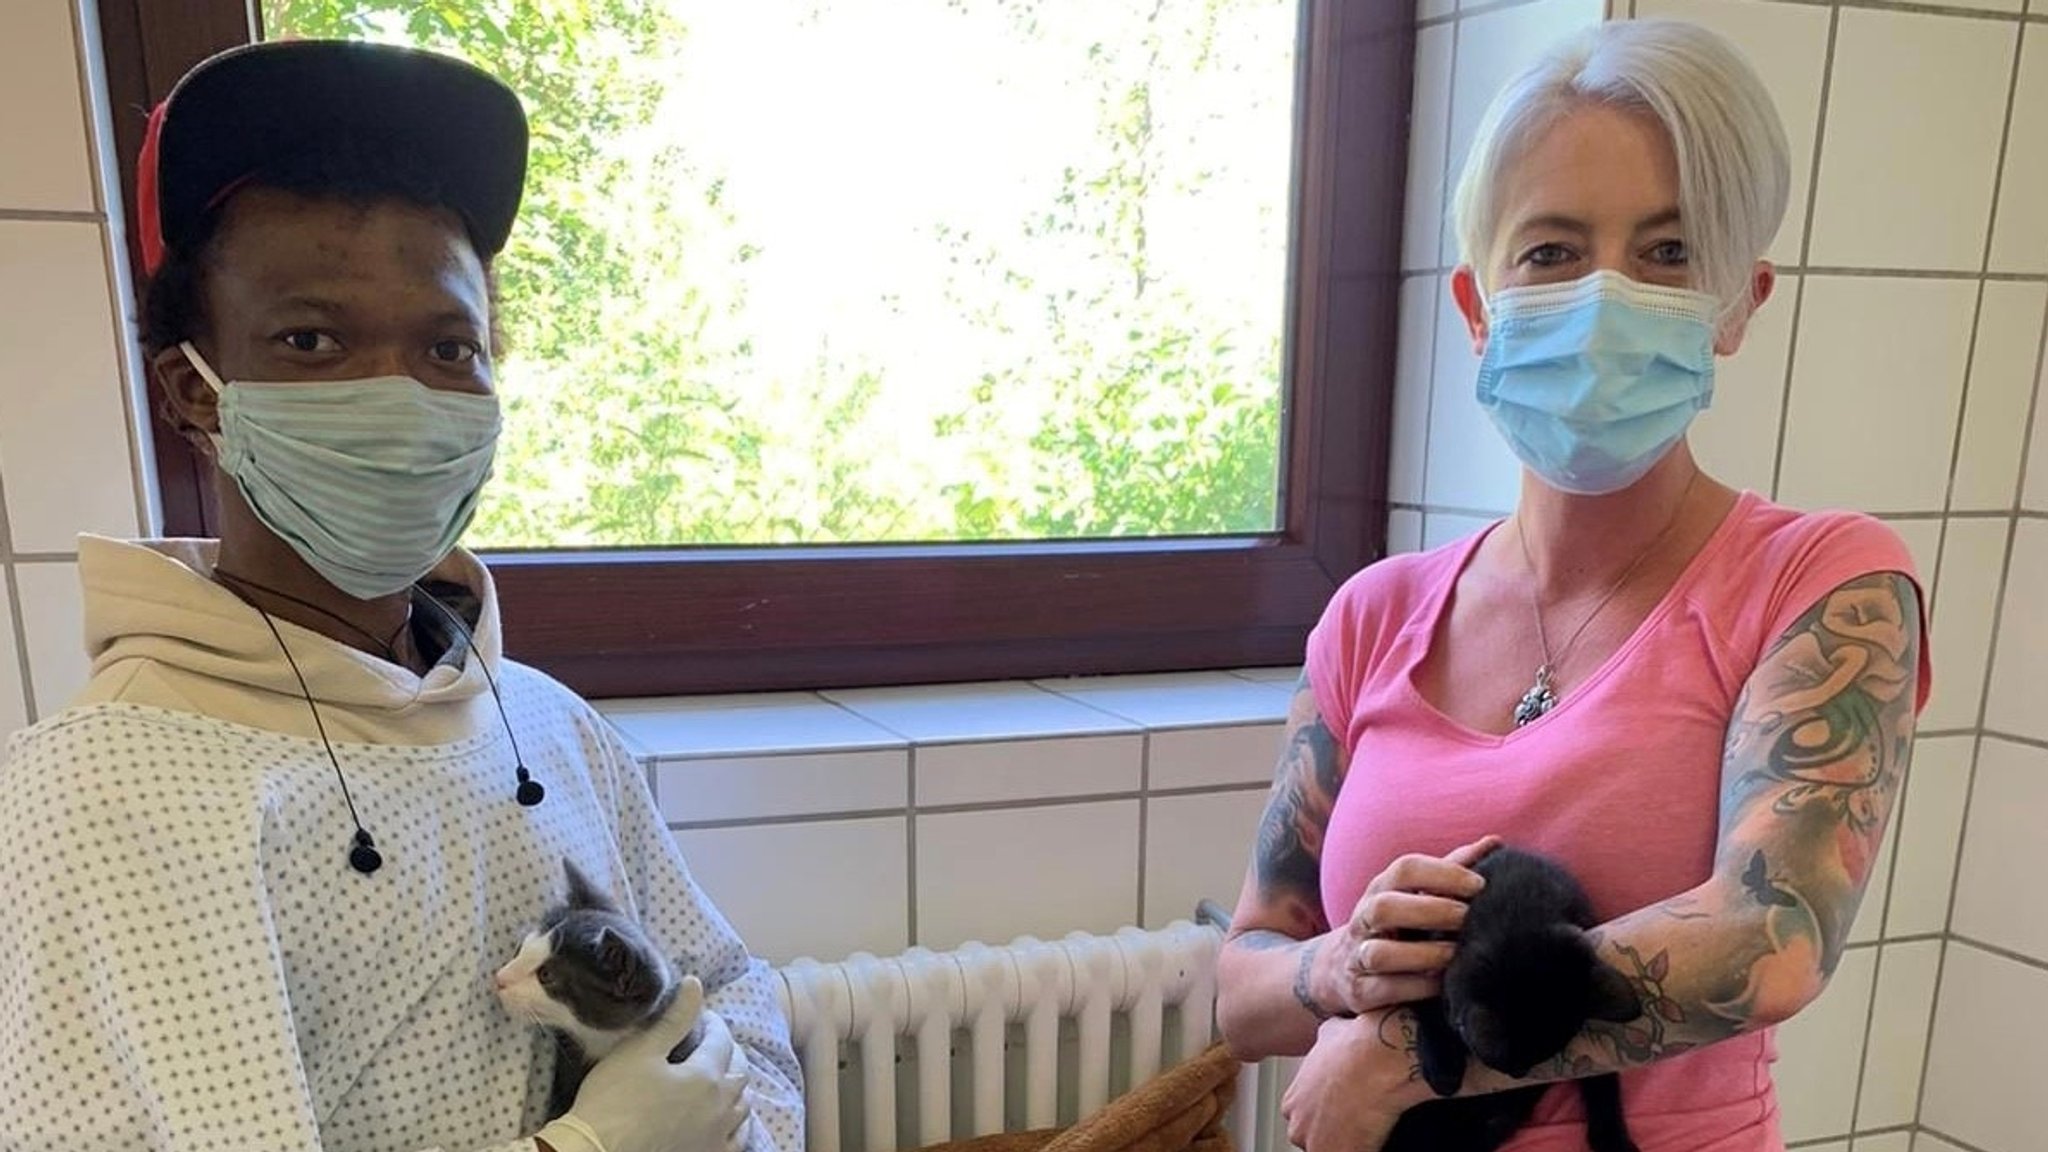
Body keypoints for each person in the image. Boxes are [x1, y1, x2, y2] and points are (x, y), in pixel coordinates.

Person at [0, 40, 801, 1152]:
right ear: (197, 394)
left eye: (446, 346)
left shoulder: (549, 727)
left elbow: (729, 995)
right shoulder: (106, 793)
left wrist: (728, 1121)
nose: (397, 393)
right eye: (311, 340)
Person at [1214, 19, 1931, 1152]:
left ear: (1737, 304)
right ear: (1474, 307)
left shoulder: (1819, 584)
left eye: (1665, 252)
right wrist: (1338, 966)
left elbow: (1775, 931)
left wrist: (1410, 1054)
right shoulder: (1372, 616)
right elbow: (1242, 982)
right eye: (1549, 252)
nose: (1605, 296)